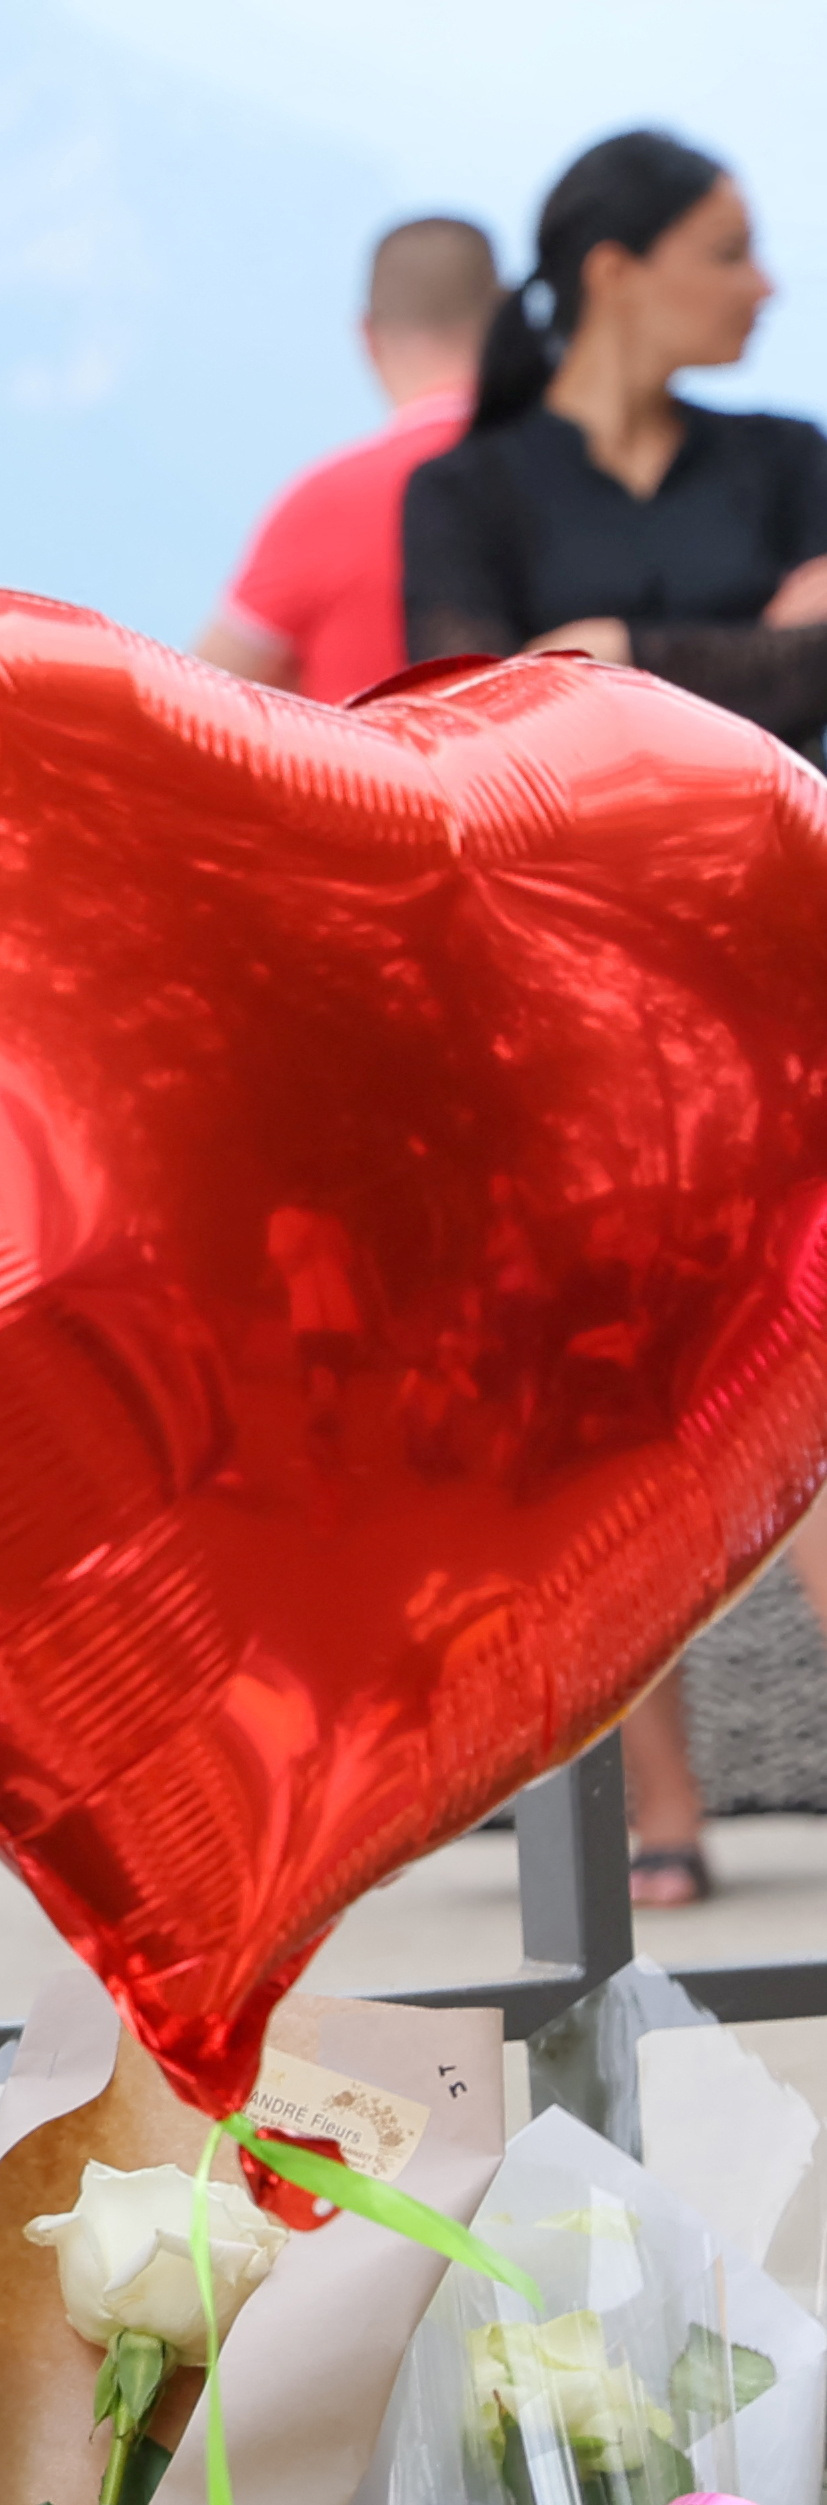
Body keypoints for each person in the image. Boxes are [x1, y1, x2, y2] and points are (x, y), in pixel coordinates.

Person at [401, 132, 827, 1907]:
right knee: (606, 1401)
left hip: (781, 955)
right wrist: (740, 654)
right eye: (727, 251)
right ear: (614, 270)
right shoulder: (472, 487)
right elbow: (476, 713)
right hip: (567, 989)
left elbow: (588, 685)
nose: (764, 283)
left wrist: (631, 664)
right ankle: (653, 1821)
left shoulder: (788, 455)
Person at [196, 215, 503, 701]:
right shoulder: (571, 477)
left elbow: (192, 701)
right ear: (507, 316)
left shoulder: (328, 503)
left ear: (366, 335)